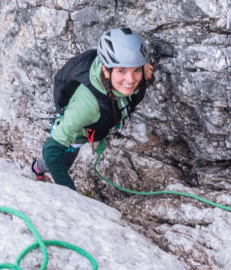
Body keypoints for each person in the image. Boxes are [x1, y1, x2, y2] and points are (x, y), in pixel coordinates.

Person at [31, 27, 154, 190]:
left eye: (136, 70)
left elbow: (130, 74)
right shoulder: (85, 107)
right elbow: (51, 150)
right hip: (78, 134)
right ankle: (37, 168)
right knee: (59, 162)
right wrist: (68, 190)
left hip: (98, 121)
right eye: (122, 71)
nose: (130, 80)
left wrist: (142, 64)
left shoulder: (132, 74)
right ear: (105, 70)